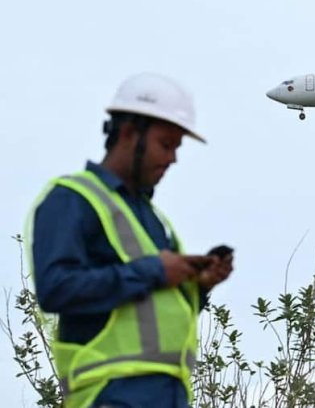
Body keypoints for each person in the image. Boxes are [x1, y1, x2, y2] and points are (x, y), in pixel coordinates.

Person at [26, 73, 234, 408]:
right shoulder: (72, 199)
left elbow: (148, 313)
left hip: (168, 397)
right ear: (128, 134)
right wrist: (153, 271)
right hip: (109, 396)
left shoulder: (151, 218)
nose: (172, 159)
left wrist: (197, 287)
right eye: (166, 145)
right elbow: (57, 288)